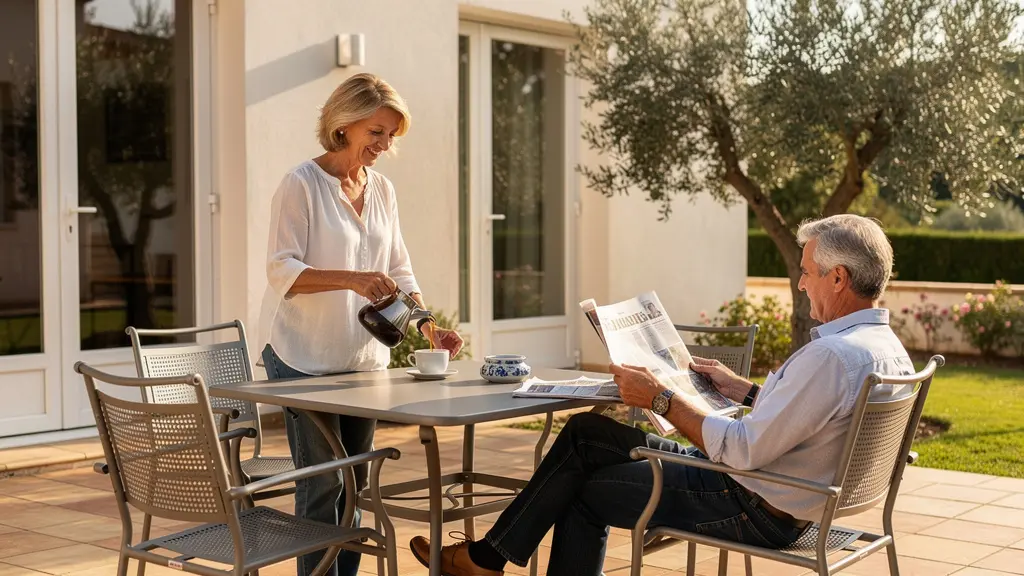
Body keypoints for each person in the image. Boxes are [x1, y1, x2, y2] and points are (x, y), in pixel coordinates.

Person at [409, 214, 913, 576]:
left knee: (580, 491)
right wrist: (745, 390)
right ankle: (486, 559)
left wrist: (661, 400)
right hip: (784, 497)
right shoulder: (884, 350)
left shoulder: (832, 357)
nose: (801, 284)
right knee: (586, 434)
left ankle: (485, 560)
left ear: (839, 277)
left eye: (806, 271)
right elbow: (810, 423)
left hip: (750, 503)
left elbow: (741, 450)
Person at [258, 73, 464, 576]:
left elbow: (399, 270)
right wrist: (352, 280)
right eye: (377, 131)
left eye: (391, 134)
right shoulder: (301, 184)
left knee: (355, 482)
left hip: (360, 362)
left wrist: (426, 325)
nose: (384, 144)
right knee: (322, 483)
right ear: (344, 124)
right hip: (303, 356)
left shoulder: (383, 190)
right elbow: (281, 269)